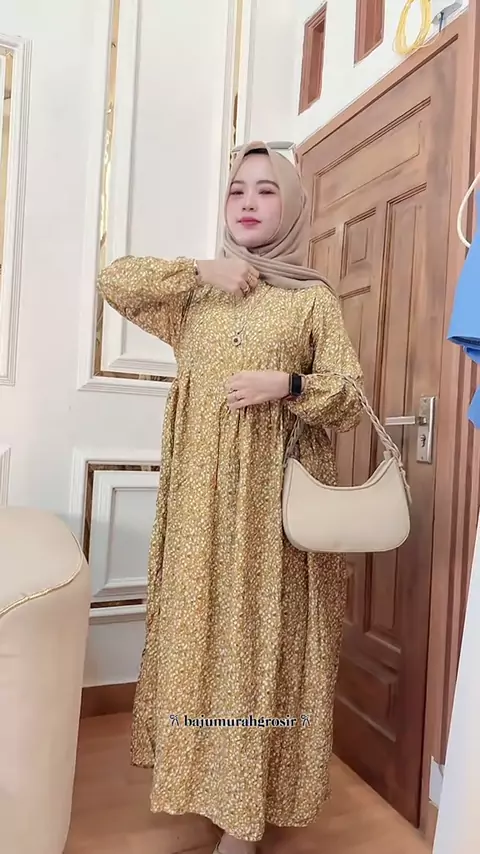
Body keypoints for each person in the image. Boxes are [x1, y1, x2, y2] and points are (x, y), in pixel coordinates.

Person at [97, 141, 363, 854]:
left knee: (259, 645)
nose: (248, 201)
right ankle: (207, 788)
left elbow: (347, 397)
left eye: (267, 190)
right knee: (203, 641)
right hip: (199, 506)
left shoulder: (311, 298)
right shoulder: (195, 297)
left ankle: (245, 821)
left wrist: (289, 384)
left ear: (293, 207)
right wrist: (198, 268)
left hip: (271, 509)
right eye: (237, 189)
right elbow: (113, 280)